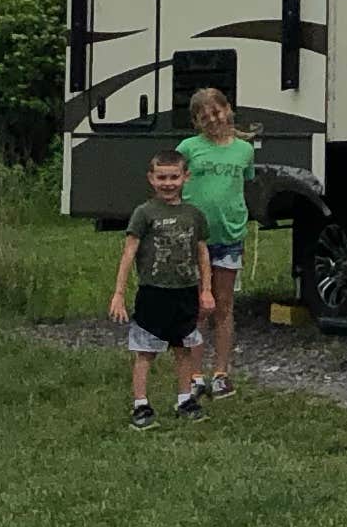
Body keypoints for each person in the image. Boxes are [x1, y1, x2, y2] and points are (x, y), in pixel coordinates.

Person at [111, 150, 211, 430]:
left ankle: (184, 399)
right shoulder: (144, 213)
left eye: (174, 177)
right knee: (145, 350)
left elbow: (202, 253)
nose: (168, 183)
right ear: (151, 179)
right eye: (162, 178)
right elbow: (129, 252)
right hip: (153, 292)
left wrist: (207, 290)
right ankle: (141, 405)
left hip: (185, 291)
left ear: (185, 177)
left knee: (183, 347)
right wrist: (119, 293)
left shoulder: (194, 215)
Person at [180, 83, 261, 397]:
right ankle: (195, 374)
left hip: (229, 235)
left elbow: (245, 183)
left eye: (217, 112)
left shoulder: (244, 150)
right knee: (199, 305)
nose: (212, 119)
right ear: (196, 122)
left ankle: (221, 371)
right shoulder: (188, 148)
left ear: (228, 111)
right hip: (195, 238)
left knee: (224, 305)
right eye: (204, 116)